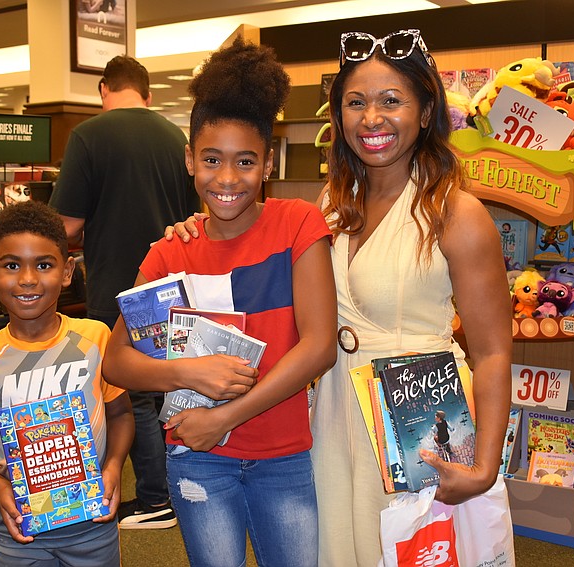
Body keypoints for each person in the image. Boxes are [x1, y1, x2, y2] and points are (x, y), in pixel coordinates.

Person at [168, 29, 512, 567]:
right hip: (332, 413)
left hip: (419, 414)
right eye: (356, 102)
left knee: (418, 550)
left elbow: (493, 351)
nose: (371, 118)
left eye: (391, 101)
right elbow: (257, 234)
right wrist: (199, 225)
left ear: (425, 113)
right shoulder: (331, 204)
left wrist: (485, 463)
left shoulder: (457, 213)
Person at [103, 38, 337, 567]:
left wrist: (225, 413)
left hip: (284, 456)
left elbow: (320, 346)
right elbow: (116, 360)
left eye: (245, 161)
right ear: (189, 159)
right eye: (211, 160)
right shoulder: (170, 251)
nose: (227, 178)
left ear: (268, 162)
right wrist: (192, 373)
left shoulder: (298, 224)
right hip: (198, 459)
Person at [49, 54, 200, 530]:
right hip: (174, 280)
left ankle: (156, 498)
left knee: (129, 392)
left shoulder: (89, 136)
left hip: (119, 283)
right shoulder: (176, 137)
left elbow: (67, 223)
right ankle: (178, 487)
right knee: (168, 385)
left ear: (103, 91)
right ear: (148, 94)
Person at [0, 200, 134, 567]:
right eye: (11, 265)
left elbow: (122, 414)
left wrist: (113, 467)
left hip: (93, 524)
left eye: (44, 265)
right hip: (19, 530)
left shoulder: (96, 338)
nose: (28, 279)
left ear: (67, 271)